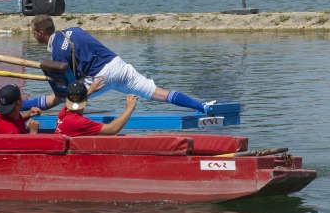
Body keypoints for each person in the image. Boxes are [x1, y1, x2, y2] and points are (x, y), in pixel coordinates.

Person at [30, 16, 209, 111]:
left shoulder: (56, 52)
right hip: (118, 65)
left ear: (40, 32)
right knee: (158, 93)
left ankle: (20, 107)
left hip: (99, 77)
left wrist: (71, 94)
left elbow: (68, 83)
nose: (33, 35)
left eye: (33, 32)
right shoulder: (75, 29)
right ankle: (202, 106)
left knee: (63, 97)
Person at [54, 83, 138, 137]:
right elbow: (112, 129)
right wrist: (129, 109)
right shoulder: (79, 122)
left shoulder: (64, 111)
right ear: (86, 100)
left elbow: (77, 99)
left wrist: (90, 91)